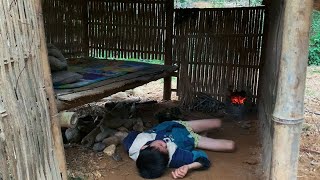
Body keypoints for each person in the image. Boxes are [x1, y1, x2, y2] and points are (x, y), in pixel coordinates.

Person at [122, 119, 235, 179]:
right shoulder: (176, 158)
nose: (165, 145)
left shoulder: (133, 143)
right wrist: (188, 166)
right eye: (166, 150)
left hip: (180, 125)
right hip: (191, 139)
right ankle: (202, 136)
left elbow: (131, 135)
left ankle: (205, 132)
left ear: (144, 147)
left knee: (217, 122)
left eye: (160, 146)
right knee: (230, 146)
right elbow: (203, 158)